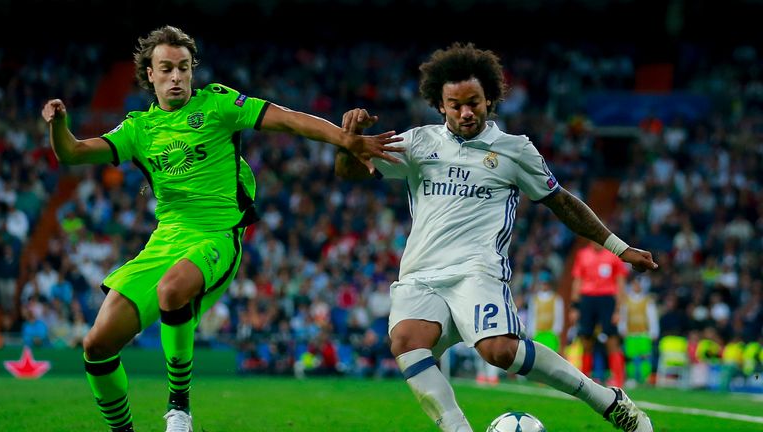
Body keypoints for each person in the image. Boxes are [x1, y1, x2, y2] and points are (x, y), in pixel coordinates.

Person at [41, 25, 402, 432]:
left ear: (192, 70)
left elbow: (287, 120)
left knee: (172, 290)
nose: (176, 76)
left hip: (217, 236)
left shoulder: (217, 104)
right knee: (96, 345)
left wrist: (343, 139)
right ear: (150, 75)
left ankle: (179, 409)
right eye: (166, 69)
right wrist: (58, 124)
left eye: (183, 68)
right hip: (165, 241)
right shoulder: (138, 129)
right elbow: (71, 153)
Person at [335, 42, 657, 432]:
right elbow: (350, 173)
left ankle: (607, 400)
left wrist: (619, 248)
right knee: (406, 341)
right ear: (440, 105)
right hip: (422, 273)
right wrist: (347, 142)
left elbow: (562, 203)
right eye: (455, 105)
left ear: (490, 99)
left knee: (499, 351)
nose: (466, 112)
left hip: (477, 270)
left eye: (474, 102)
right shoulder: (418, 143)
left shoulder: (514, 150)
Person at [570, 240, 629, 387]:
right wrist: (574, 307)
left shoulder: (613, 256)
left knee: (612, 339)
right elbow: (577, 280)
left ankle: (618, 380)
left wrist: (618, 309)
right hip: (587, 299)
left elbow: (620, 282)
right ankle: (584, 379)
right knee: (586, 339)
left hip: (607, 299)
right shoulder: (582, 254)